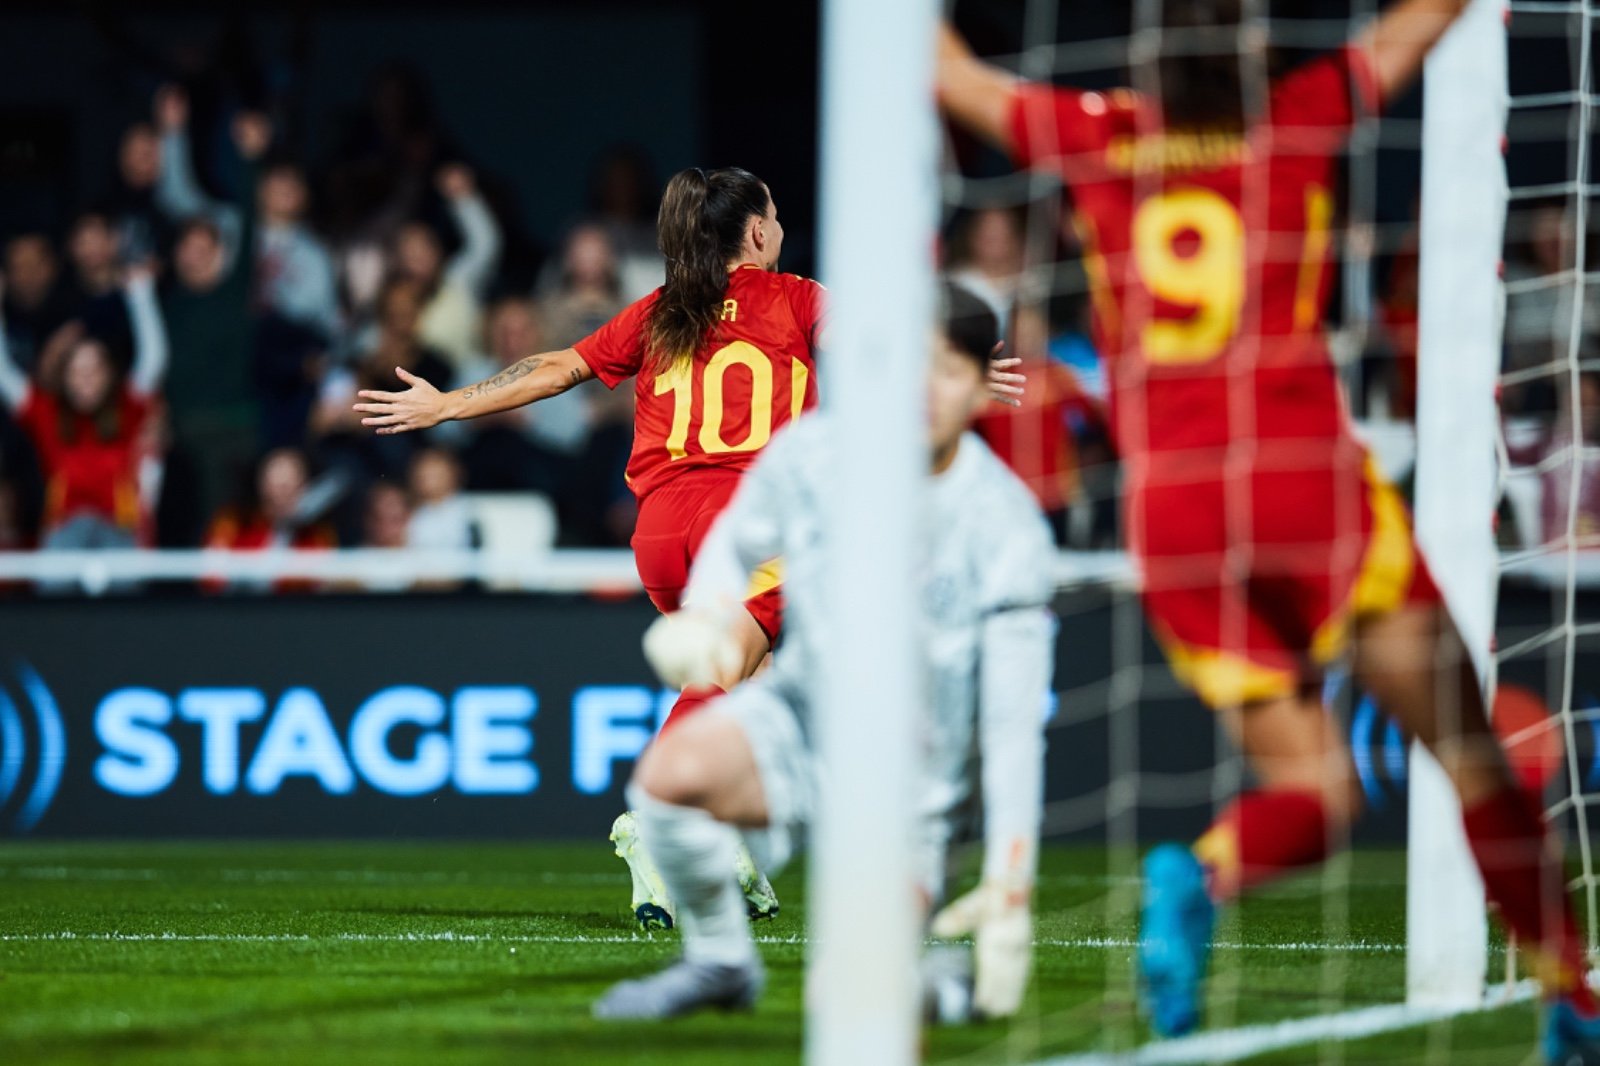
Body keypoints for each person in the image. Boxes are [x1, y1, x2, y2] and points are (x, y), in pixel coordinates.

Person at [937, 2, 1600, 1058]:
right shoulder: (1301, 111)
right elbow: (1424, 18)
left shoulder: (1089, 131)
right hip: (1299, 481)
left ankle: (1197, 874)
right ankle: (1571, 998)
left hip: (1175, 516)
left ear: (1147, 51)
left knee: (1316, 786)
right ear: (1247, 47)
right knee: (1470, 754)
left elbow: (950, 73)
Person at [354, 166, 1024, 929]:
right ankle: (656, 817)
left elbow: (556, 368)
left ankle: (724, 839)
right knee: (746, 671)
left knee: (760, 676)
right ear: (759, 231)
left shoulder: (661, 310)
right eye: (771, 214)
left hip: (662, 534)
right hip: (746, 526)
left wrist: (449, 404)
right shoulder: (799, 297)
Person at [592, 285, 1055, 1022]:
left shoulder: (1007, 528)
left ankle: (939, 979)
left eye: (947, 370)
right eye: (912, 363)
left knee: (865, 996)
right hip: (798, 730)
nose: (922, 390)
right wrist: (708, 614)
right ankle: (721, 963)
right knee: (666, 783)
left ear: (979, 389)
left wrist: (1011, 882)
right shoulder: (812, 450)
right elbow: (737, 542)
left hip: (913, 778)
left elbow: (1009, 729)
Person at [0, 265, 167, 551]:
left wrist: (141, 296)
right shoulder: (46, 412)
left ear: (109, 375)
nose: (86, 379)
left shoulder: (126, 408)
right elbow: (4, 374)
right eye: (77, 371)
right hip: (65, 529)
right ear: (64, 379)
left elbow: (153, 362)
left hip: (120, 527)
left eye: (94, 370)